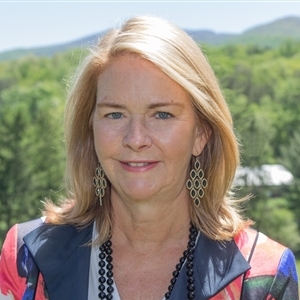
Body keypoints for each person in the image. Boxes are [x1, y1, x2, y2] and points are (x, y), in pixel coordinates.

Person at [0, 15, 298, 300]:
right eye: (115, 114)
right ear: (89, 129)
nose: (136, 139)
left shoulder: (264, 276)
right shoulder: (27, 258)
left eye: (162, 114)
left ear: (201, 134)